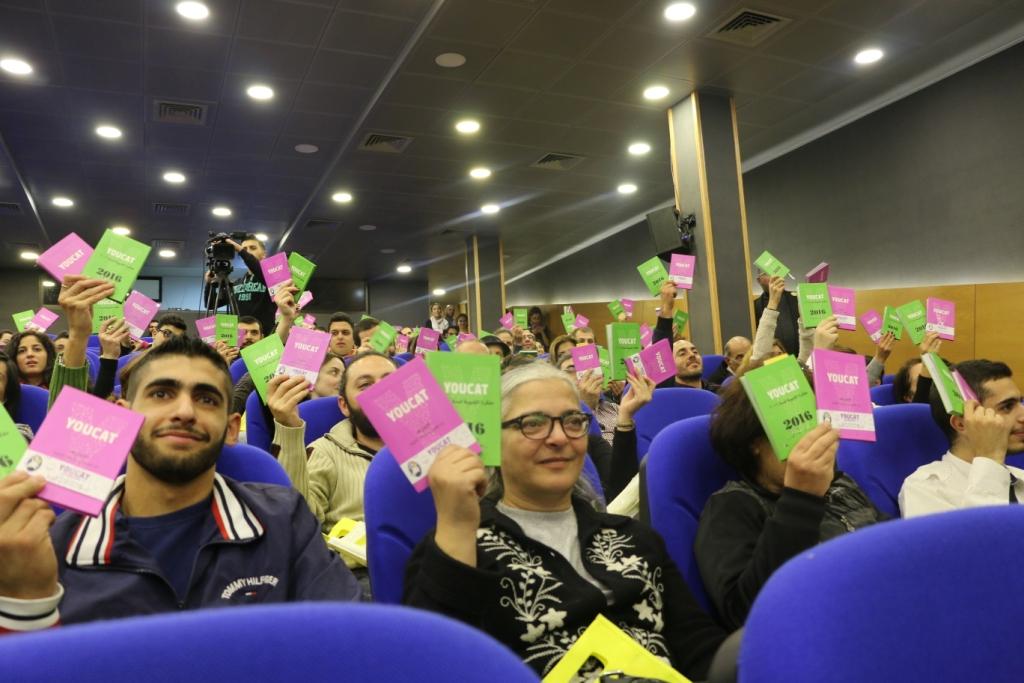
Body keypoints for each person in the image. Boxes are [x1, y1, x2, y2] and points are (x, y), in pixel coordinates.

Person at [0, 283, 361, 632]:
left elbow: (346, 644)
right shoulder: (52, 546)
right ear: (122, 416)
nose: (185, 411)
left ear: (231, 429)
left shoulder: (286, 521)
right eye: (161, 394)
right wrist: (27, 603)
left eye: (206, 399)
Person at [404, 362, 727, 679]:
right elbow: (432, 666)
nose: (559, 438)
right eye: (533, 423)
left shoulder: (635, 538)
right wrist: (457, 524)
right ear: (493, 442)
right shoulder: (463, 545)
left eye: (573, 421)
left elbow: (702, 651)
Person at [694, 381, 884, 630]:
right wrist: (801, 498)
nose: (813, 440)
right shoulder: (732, 506)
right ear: (754, 443)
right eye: (795, 427)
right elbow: (744, 613)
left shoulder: (841, 483)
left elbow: (892, 541)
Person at [269, 351, 398, 531]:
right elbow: (299, 524)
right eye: (365, 385)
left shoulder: (429, 444)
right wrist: (289, 427)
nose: (380, 391)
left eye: (389, 381)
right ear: (344, 406)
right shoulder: (325, 453)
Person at [899, 360, 1024, 517]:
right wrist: (989, 460)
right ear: (961, 424)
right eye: (1007, 407)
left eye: (1020, 403)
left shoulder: (1019, 476)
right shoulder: (926, 488)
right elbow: (987, 532)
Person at [203, 234, 276, 337]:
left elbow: (257, 268)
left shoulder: (271, 278)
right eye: (245, 249)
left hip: (263, 338)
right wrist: (209, 283)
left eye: (253, 248)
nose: (248, 251)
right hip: (239, 339)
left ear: (264, 254)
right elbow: (210, 304)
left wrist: (239, 249)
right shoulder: (237, 283)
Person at [753, 269, 799, 355]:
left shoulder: (797, 299)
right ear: (759, 280)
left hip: (799, 355)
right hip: (771, 358)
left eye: (775, 271)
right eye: (767, 273)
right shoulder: (754, 306)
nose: (773, 276)